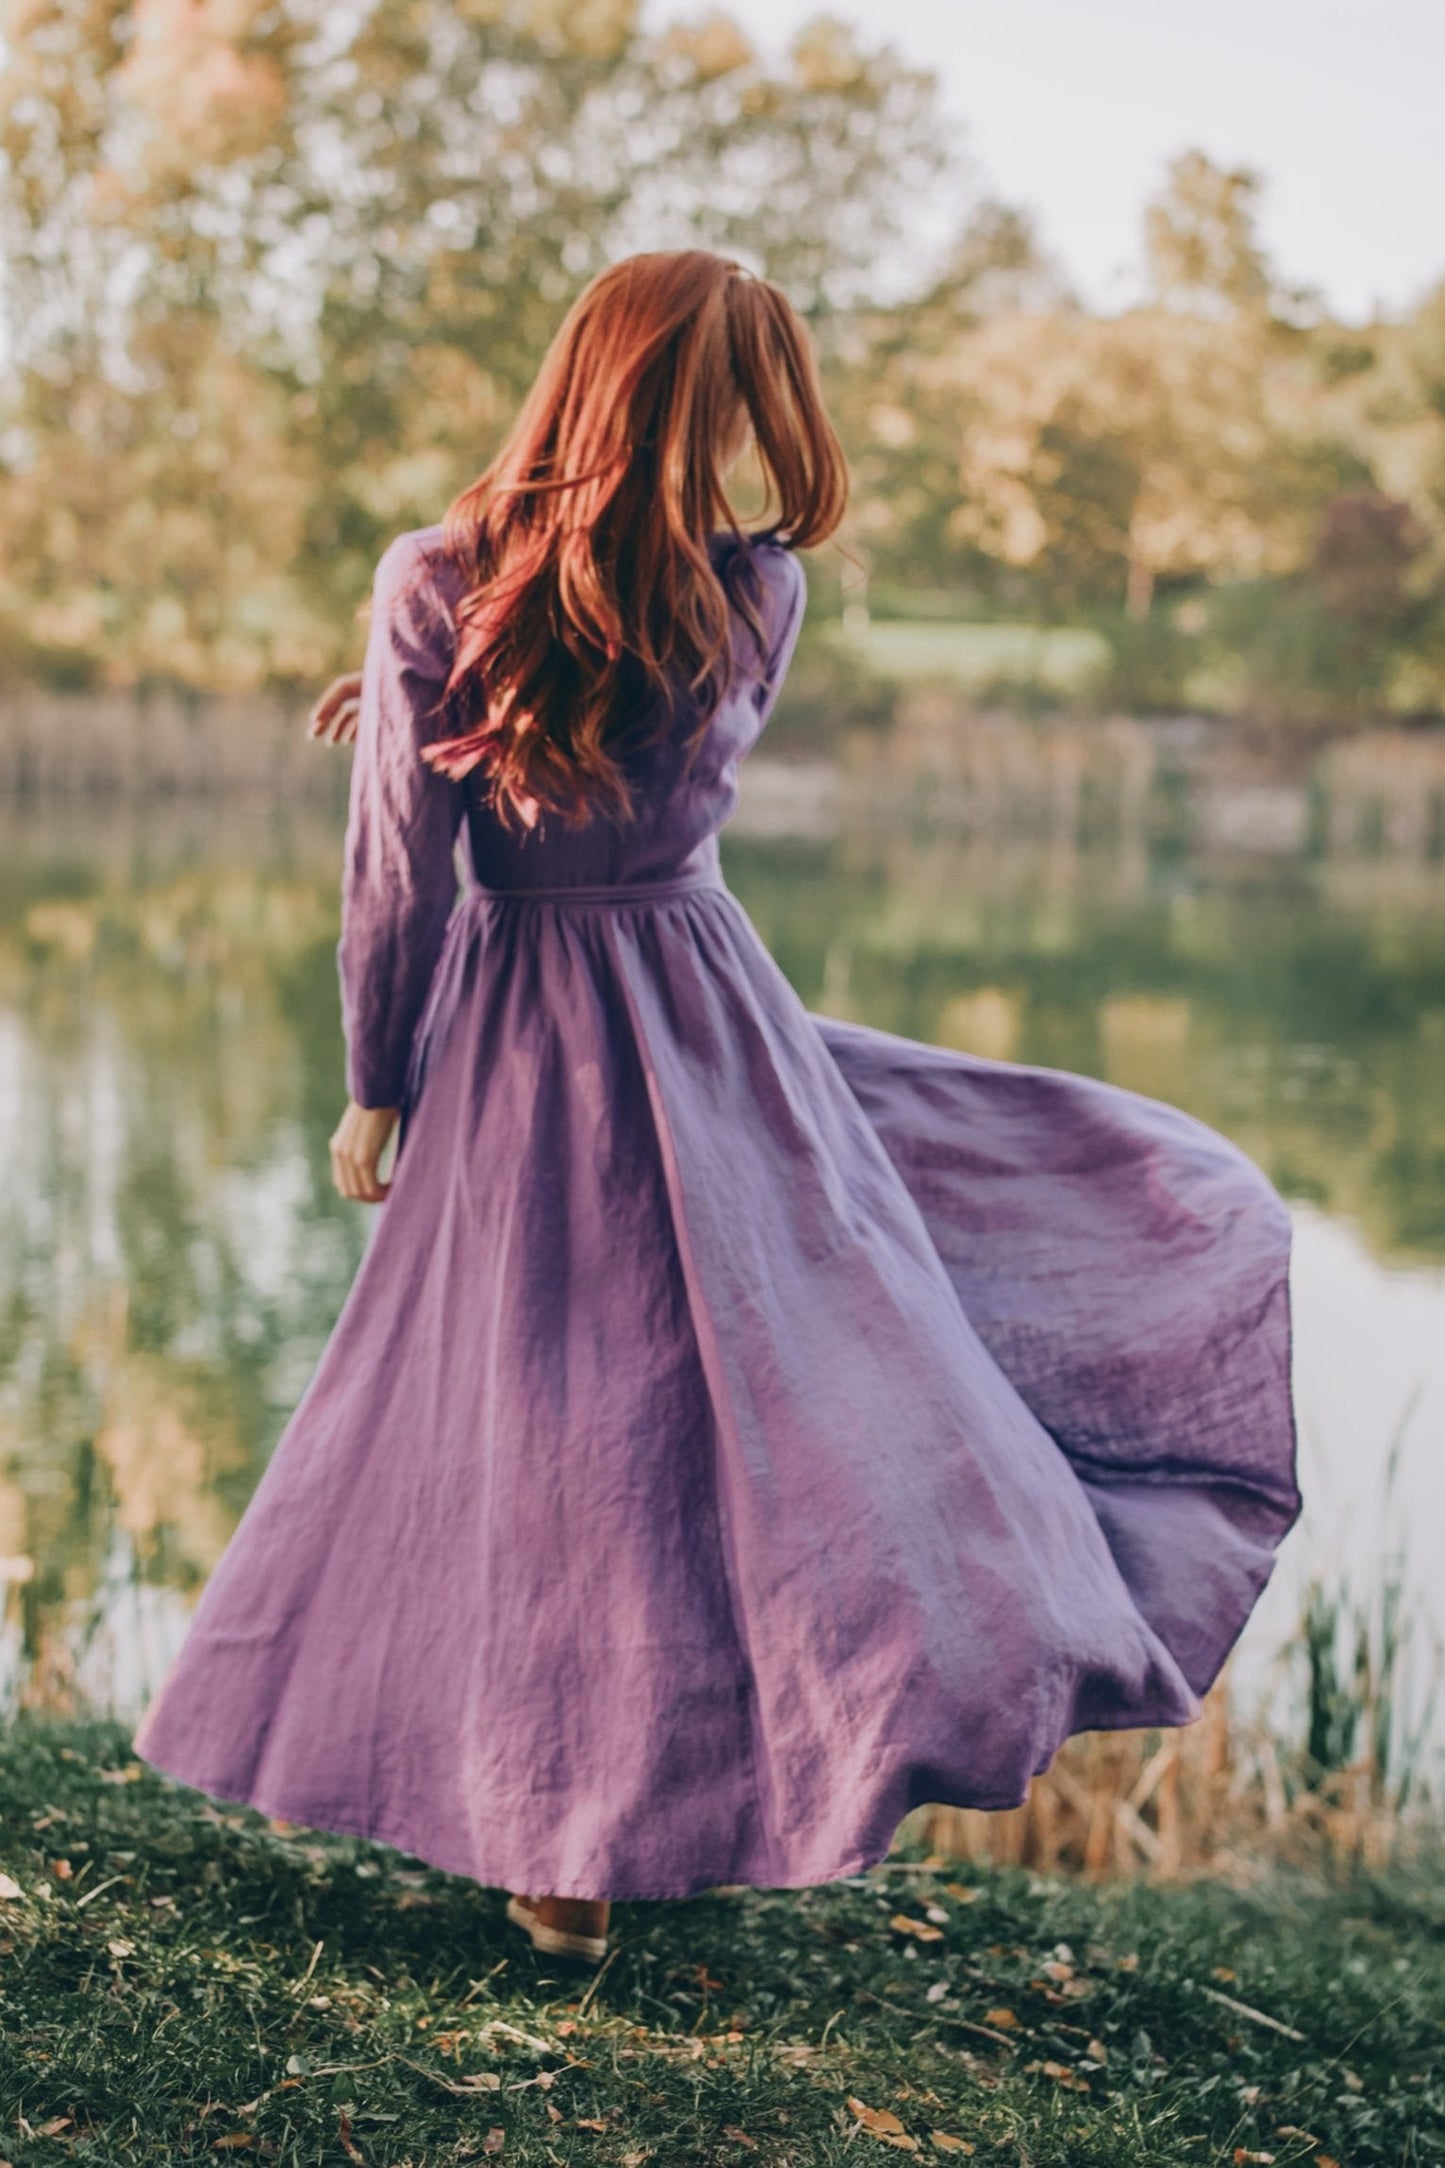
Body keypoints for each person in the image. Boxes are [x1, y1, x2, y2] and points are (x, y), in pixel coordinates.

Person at [133, 249, 1299, 1966]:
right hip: (705, 1013)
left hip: (528, 1024)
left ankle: (562, 1851)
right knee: (734, 1427)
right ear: (730, 408)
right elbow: (600, 735)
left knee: (554, 1435)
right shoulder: (756, 593)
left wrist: (376, 1077)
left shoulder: (437, 580)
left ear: (579, 376)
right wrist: (396, 700)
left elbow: (407, 870)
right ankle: (650, 1812)